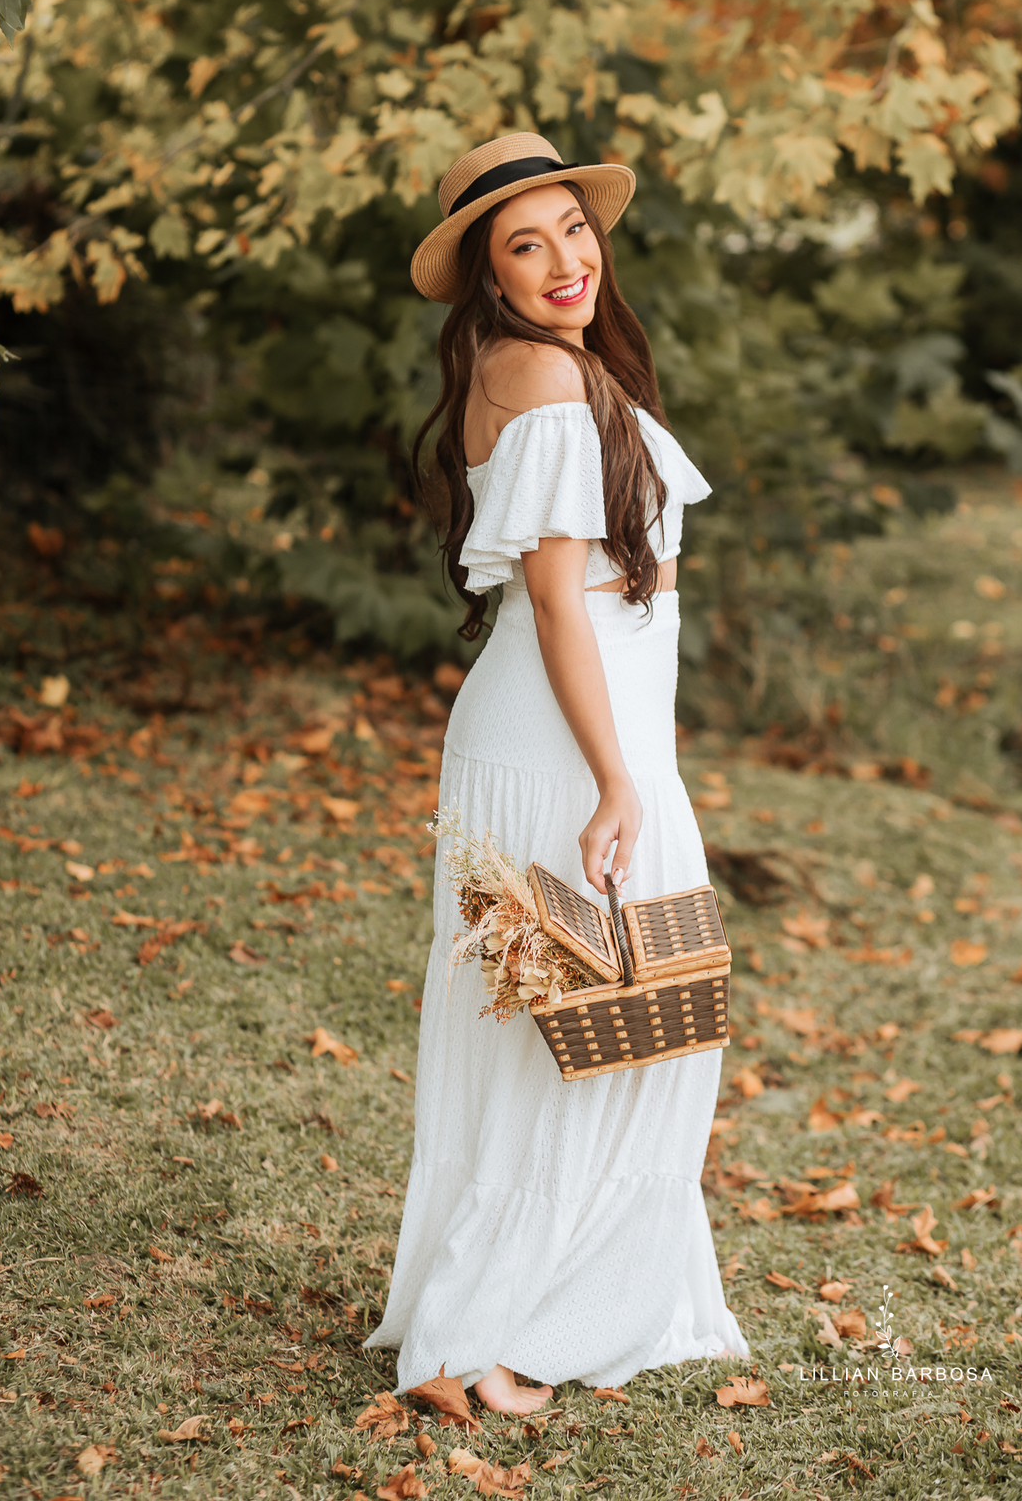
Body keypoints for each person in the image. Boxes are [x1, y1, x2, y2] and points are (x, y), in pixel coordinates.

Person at [364, 132, 748, 1414]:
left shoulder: (536, 368)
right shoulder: (539, 376)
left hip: (573, 739)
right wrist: (618, 782)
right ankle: (511, 1342)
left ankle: (507, 1317)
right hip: (572, 748)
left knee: (592, 1030)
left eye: (572, 229)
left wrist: (641, 763)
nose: (564, 259)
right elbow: (560, 600)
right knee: (617, 1038)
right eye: (525, 244)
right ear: (488, 272)